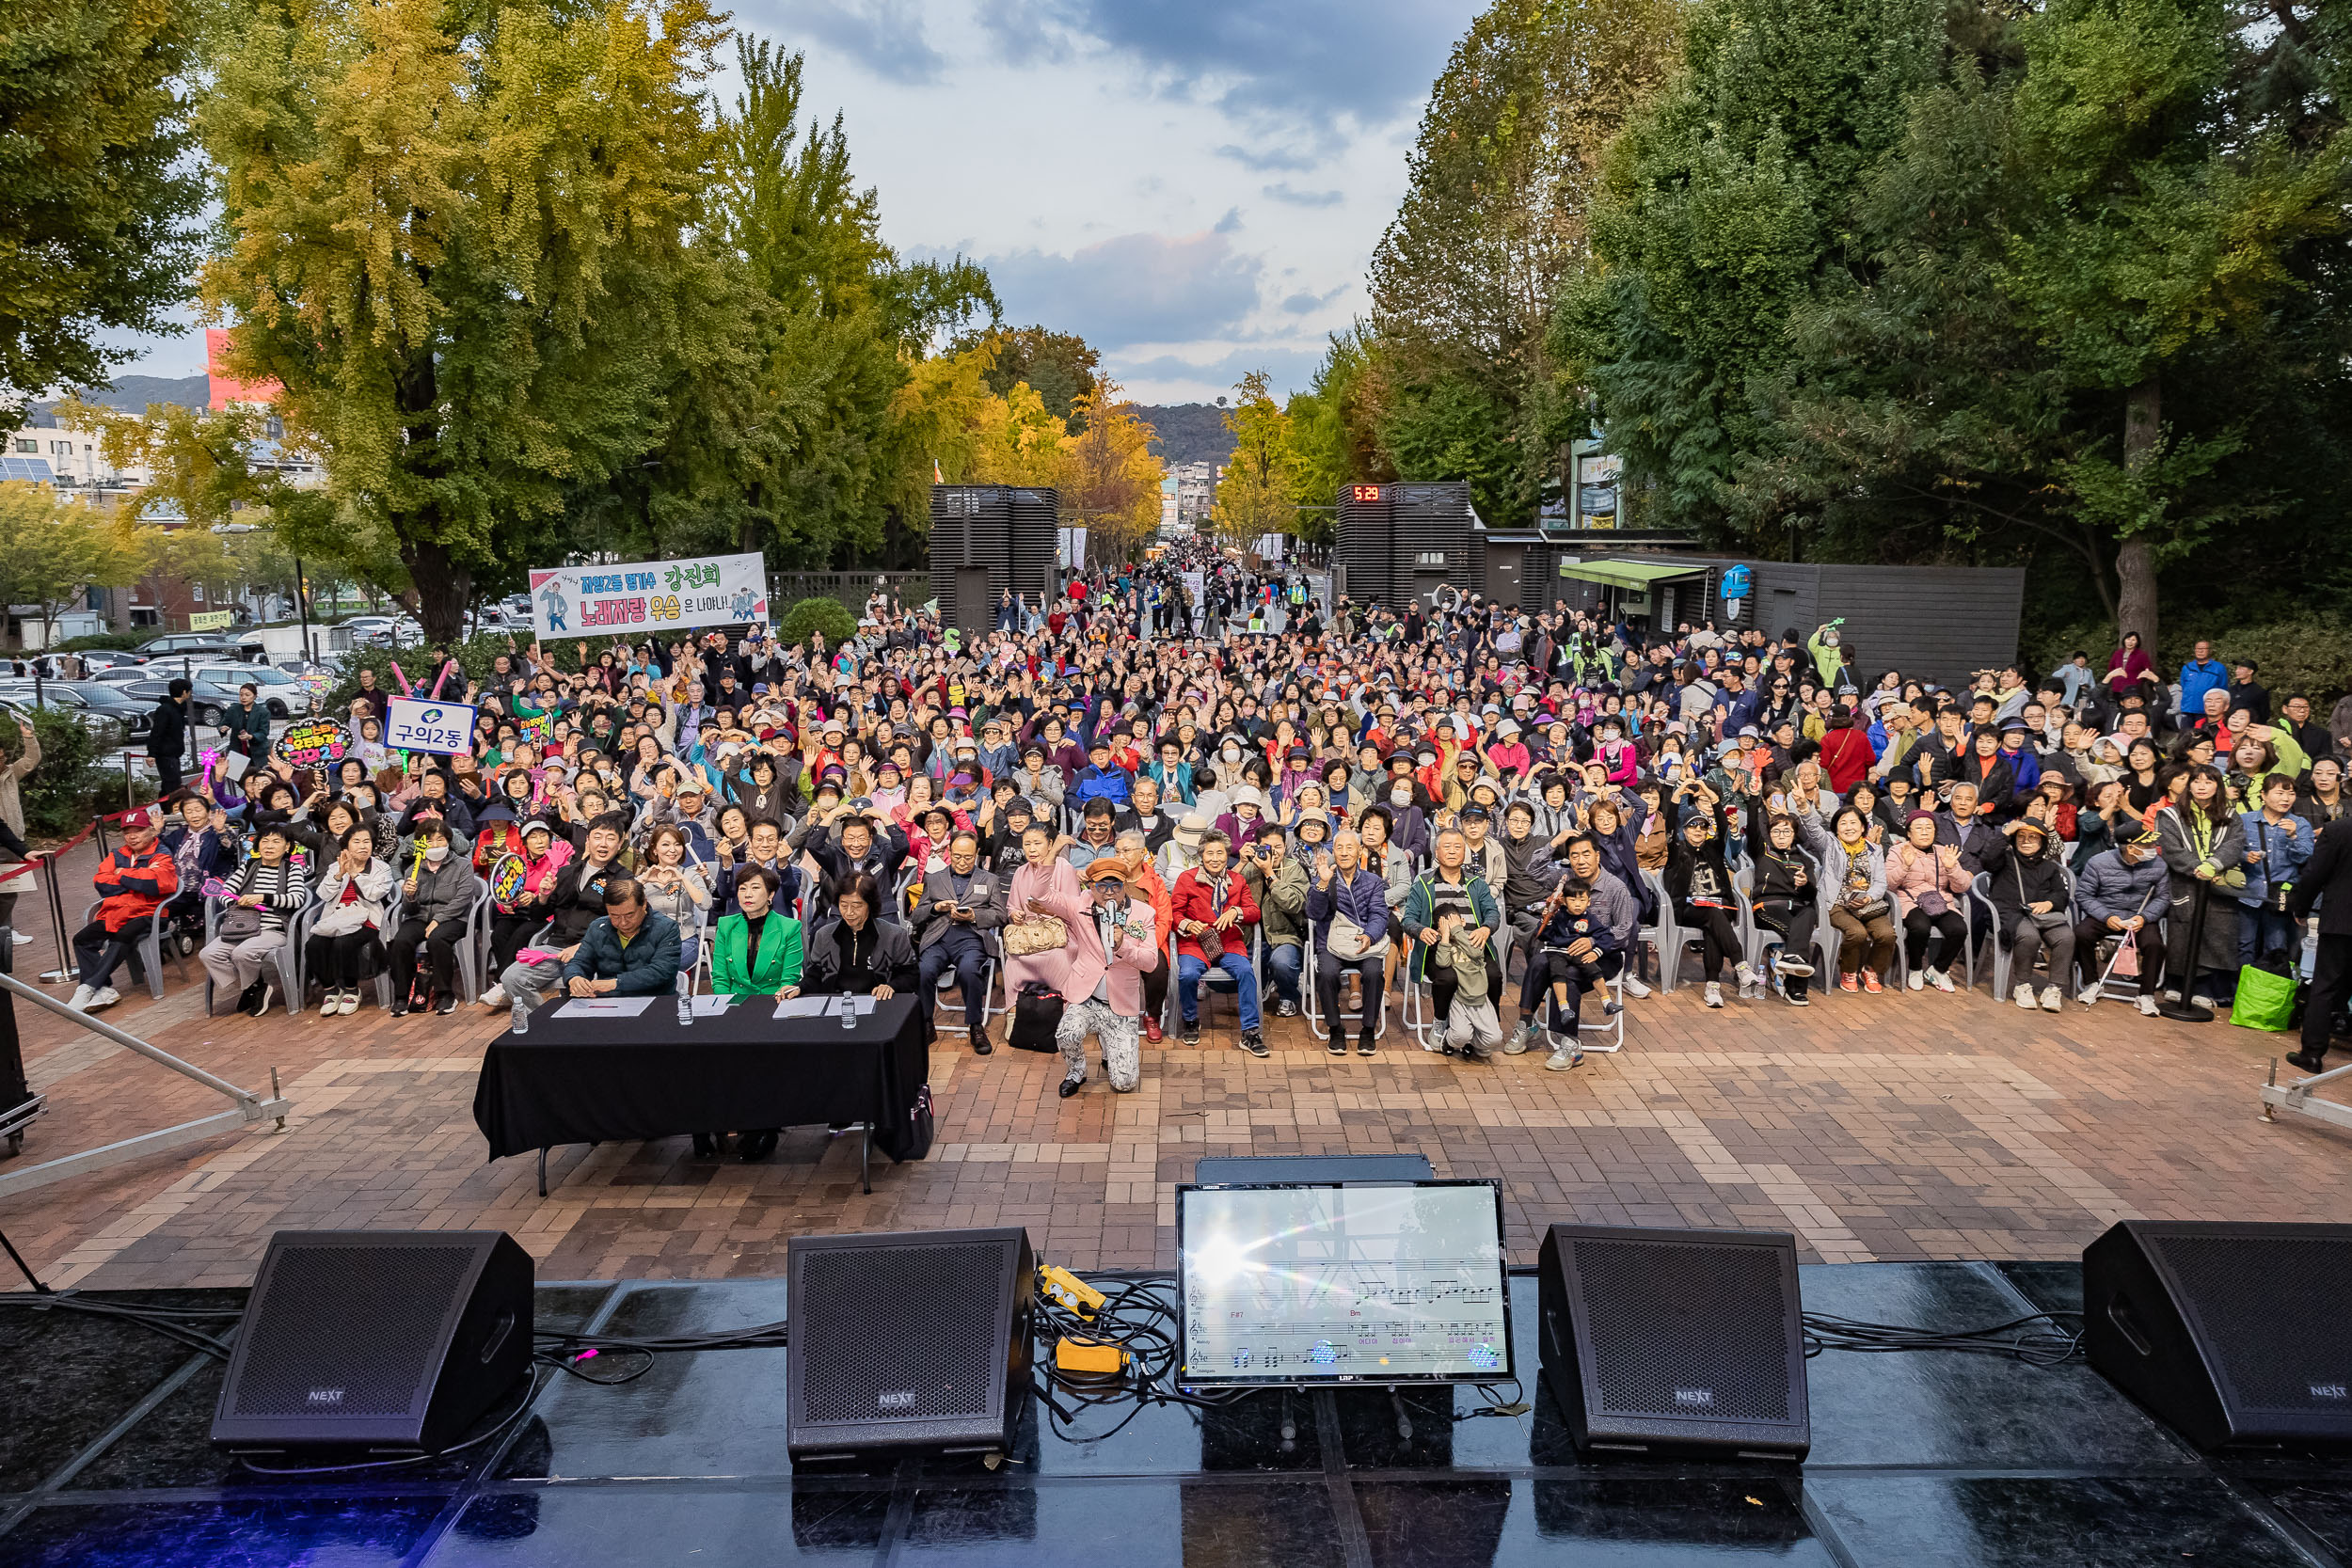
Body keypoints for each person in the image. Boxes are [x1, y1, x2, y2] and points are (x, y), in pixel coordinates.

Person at [1031, 859, 1160, 1097]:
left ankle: (1109, 1045)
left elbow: (1151, 963)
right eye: (1102, 886)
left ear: (1125, 886)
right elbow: (1039, 894)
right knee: (1067, 1034)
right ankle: (1076, 1072)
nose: (1109, 892)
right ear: (1091, 886)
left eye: (1116, 886)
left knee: (1124, 1084)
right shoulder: (1079, 904)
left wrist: (1124, 946)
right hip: (1085, 997)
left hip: (1120, 1003)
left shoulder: (1144, 913)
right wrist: (1052, 854)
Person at [65, 807, 180, 1012]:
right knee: (82, 939)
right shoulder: (116, 854)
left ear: (151, 830)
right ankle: (104, 989)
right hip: (116, 912)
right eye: (127, 832)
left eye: (138, 830)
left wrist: (121, 874)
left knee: (123, 935)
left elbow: (158, 884)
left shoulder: (162, 853)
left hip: (150, 913)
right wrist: (136, 877)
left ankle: (88, 987)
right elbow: (101, 884)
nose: (132, 836)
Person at [1169, 831, 1264, 1055]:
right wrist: (1186, 924)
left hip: (1229, 942)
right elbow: (1174, 913)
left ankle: (1250, 1032)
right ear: (1201, 855)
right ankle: (1191, 1019)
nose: (1214, 858)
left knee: (1246, 972)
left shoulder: (1237, 880)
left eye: (1219, 853)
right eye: (1209, 853)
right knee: (1187, 975)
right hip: (1195, 943)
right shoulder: (1187, 879)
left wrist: (1237, 911)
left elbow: (1254, 912)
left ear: (1227, 855)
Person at [913, 830, 1007, 1053]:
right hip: (939, 937)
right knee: (924, 971)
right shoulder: (934, 879)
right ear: (949, 852)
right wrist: (936, 908)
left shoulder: (989, 879)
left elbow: (1000, 915)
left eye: (968, 857)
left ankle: (975, 1025)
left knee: (968, 971)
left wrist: (974, 915)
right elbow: (917, 915)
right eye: (957, 856)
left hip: (971, 937)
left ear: (977, 855)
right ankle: (927, 1022)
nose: (962, 862)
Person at [199, 822, 306, 1016]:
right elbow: (224, 893)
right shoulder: (248, 866)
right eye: (265, 841)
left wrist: (262, 898)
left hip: (273, 930)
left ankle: (252, 987)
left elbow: (297, 899)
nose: (269, 846)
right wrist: (236, 902)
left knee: (242, 953)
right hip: (241, 927)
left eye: (276, 841)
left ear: (288, 846)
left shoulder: (292, 869)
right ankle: (254, 986)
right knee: (208, 954)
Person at [1305, 827, 1389, 1058]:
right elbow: (1314, 913)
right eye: (1339, 847)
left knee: (1373, 972)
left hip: (1364, 942)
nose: (1344, 853)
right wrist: (1322, 884)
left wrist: (1370, 936)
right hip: (1331, 942)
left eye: (1349, 847)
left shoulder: (1373, 881)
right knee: (1327, 972)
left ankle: (1368, 1029)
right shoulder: (1325, 877)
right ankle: (1335, 1029)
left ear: (1359, 850)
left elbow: (1380, 915)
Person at [2073, 827, 2169, 1015]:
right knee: (2081, 934)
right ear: (2131, 849)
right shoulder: (2098, 863)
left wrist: (2144, 917)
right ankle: (2092, 983)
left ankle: (2146, 995)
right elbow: (2084, 895)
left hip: (2140, 916)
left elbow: (2163, 897)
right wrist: (2107, 917)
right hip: (2106, 913)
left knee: (2155, 944)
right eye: (2147, 844)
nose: (2153, 847)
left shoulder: (2159, 865)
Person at [1982, 817, 2073, 1011]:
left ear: (2042, 842)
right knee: (2028, 936)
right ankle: (2022, 985)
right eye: (2021, 836)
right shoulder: (2005, 860)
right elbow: (1987, 860)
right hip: (2010, 913)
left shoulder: (2049, 867)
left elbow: (2061, 893)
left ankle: (2054, 988)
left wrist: (2049, 903)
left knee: (2066, 937)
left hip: (2042, 915)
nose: (2026, 841)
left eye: (2033, 837)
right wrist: (2005, 833)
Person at [2284, 815, 2352, 1072]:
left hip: (2340, 919)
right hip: (2340, 920)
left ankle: (2312, 1054)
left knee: (2325, 986)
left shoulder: (2337, 830)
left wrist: (2301, 907)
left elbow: (2315, 874)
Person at [305, 823, 391, 1015]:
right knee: (314, 945)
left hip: (367, 919)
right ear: (347, 846)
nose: (363, 846)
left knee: (343, 943)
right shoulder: (336, 866)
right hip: (337, 918)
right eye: (357, 842)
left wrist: (354, 874)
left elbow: (374, 894)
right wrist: (339, 875)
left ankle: (352, 989)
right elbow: (323, 894)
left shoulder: (381, 868)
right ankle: (331, 990)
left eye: (367, 841)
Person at [1886, 810, 1971, 992]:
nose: (1924, 832)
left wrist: (1951, 869)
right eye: (1919, 828)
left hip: (1941, 902)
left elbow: (1962, 886)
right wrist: (1905, 865)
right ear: (1909, 832)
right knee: (1920, 927)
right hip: (1910, 902)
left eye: (1928, 828)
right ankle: (1915, 969)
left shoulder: (1944, 852)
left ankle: (1938, 969)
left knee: (1959, 929)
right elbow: (1889, 884)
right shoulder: (1898, 851)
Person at [803, 871, 918, 999]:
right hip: (835, 1004)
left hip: (879, 1003)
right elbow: (813, 976)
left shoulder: (894, 935)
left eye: (857, 906)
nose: (849, 912)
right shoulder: (824, 935)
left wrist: (892, 986)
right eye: (843, 905)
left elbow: (911, 976)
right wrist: (799, 988)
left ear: (870, 904)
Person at [560, 878, 682, 998]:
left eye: (630, 915)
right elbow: (579, 962)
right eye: (614, 916)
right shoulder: (598, 928)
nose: (623, 923)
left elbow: (661, 972)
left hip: (655, 999)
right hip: (607, 1002)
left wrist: (616, 983)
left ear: (644, 904)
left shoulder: (666, 928)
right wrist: (574, 978)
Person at [148, 679, 192, 795]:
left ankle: (163, 809)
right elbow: (157, 732)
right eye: (189, 691)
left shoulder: (179, 709)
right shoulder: (165, 710)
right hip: (166, 755)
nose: (190, 694)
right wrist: (151, 753)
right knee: (173, 786)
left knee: (168, 786)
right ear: (184, 692)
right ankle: (171, 809)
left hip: (174, 754)